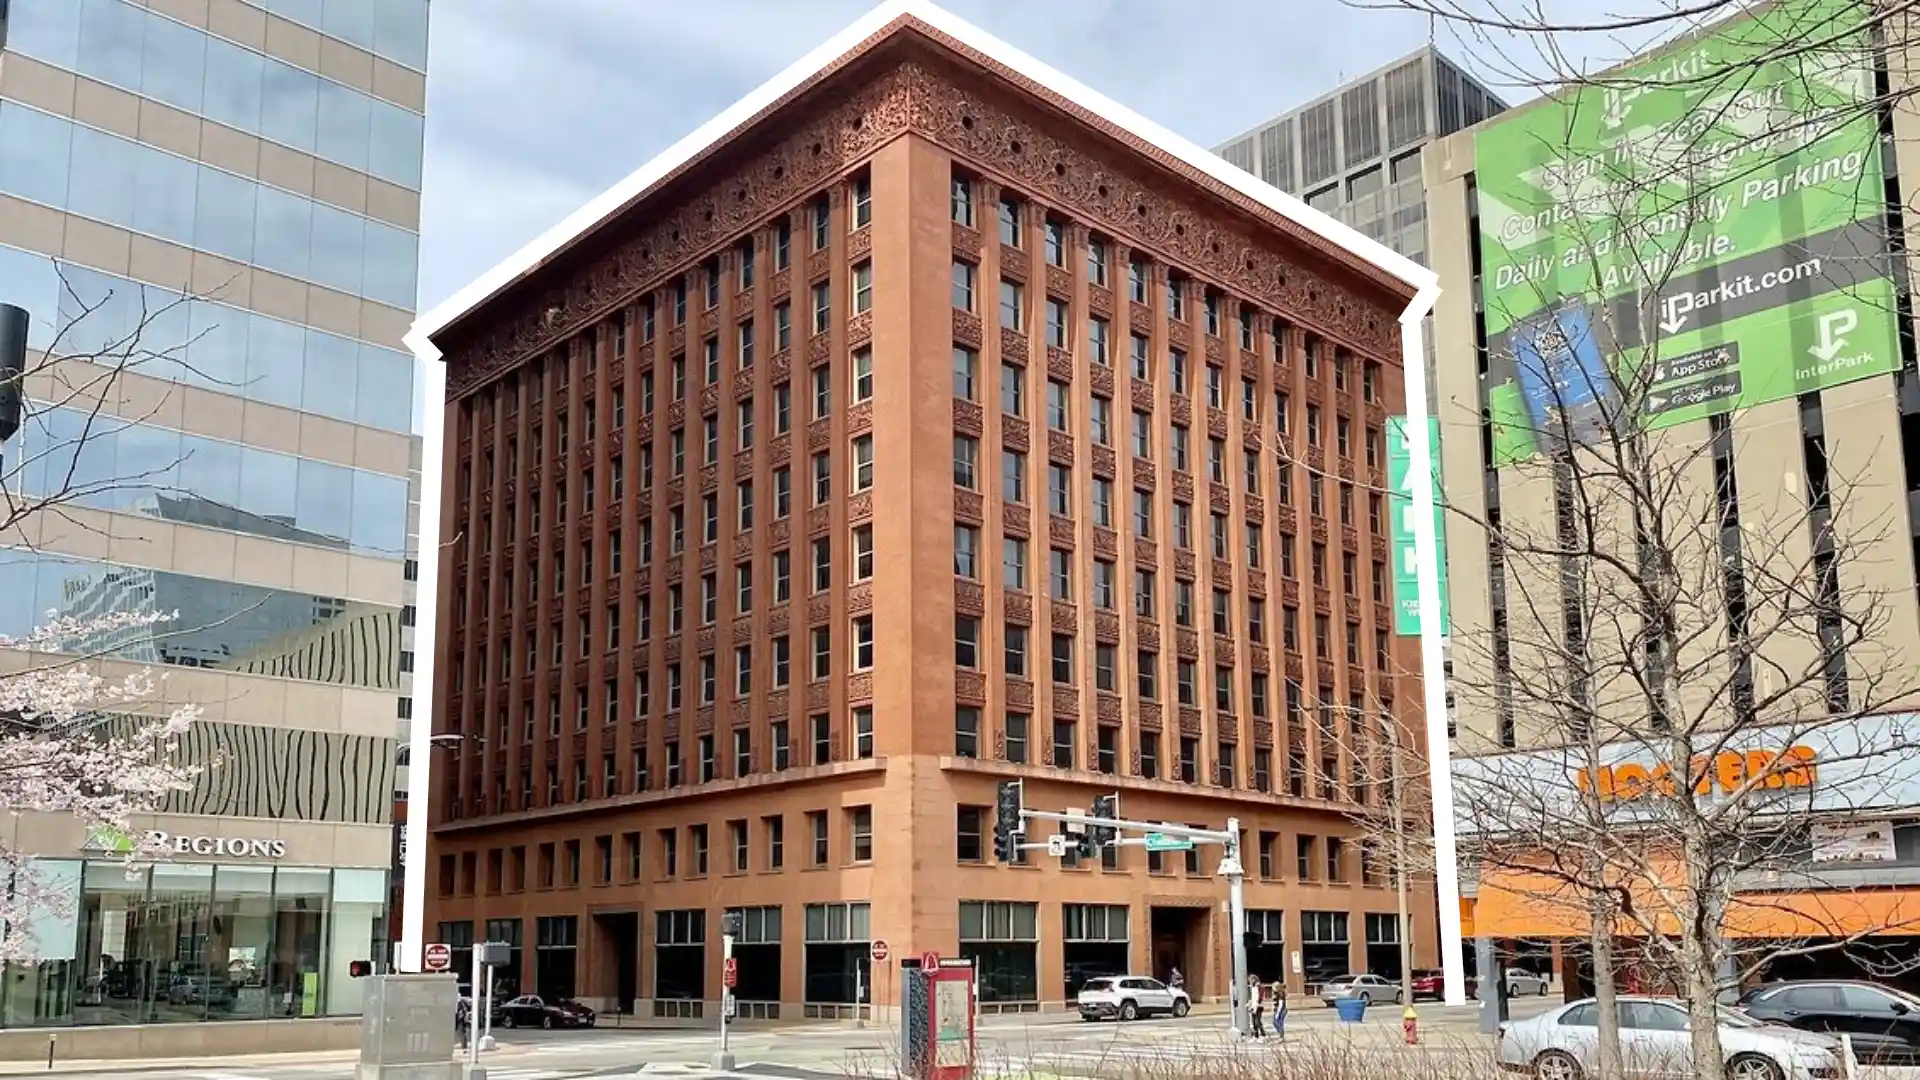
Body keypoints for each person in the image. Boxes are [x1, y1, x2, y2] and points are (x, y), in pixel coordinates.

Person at [1247, 973, 1266, 1037]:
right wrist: (1249, 1004)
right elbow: (1253, 997)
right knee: (1254, 1022)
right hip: (1254, 1006)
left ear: (1254, 979)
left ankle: (1263, 1034)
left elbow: (1260, 997)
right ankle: (1256, 1035)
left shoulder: (1259, 987)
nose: (1250, 981)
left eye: (1251, 980)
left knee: (1257, 1021)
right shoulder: (1252, 987)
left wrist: (1256, 1006)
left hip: (1259, 1006)